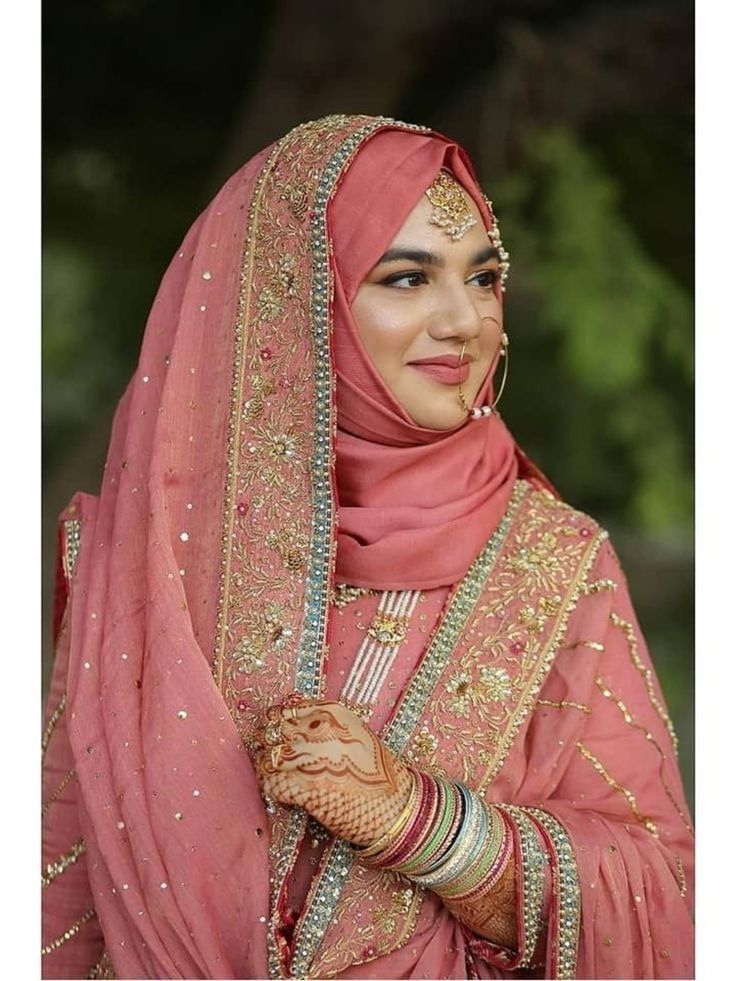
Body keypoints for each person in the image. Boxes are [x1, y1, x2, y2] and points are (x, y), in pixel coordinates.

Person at [41, 114, 694, 980]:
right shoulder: (149, 553)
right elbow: (57, 891)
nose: (465, 320)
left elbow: (665, 892)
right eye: (407, 277)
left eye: (484, 276)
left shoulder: (555, 564)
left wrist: (417, 821)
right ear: (298, 298)